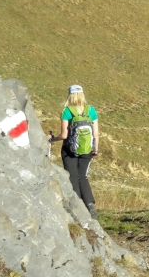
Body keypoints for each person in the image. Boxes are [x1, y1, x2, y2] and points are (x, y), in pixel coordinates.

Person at [47, 84, 99, 219]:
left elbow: (64, 135)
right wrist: (95, 148)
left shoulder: (67, 111)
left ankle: (78, 208)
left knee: (73, 177)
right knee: (83, 176)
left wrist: (52, 139)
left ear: (69, 95)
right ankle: (90, 205)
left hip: (69, 149)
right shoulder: (91, 110)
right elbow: (96, 133)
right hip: (88, 149)